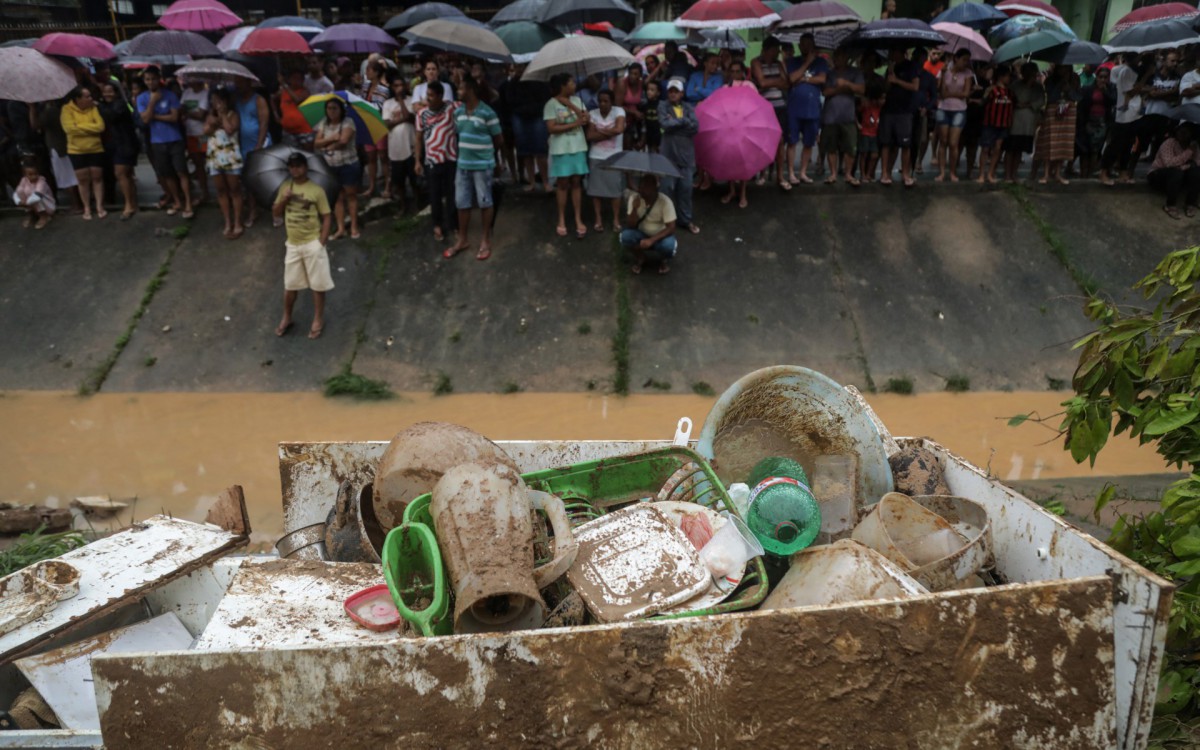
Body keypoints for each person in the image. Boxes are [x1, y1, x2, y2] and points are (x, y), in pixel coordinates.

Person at [273, 152, 333, 340]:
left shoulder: (316, 190)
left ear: (305, 167)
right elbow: (275, 212)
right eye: (291, 166)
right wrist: (284, 198)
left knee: (317, 284)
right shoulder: (285, 187)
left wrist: (321, 241)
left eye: (298, 166)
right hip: (292, 243)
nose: (295, 169)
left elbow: (326, 216)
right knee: (290, 285)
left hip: (311, 242)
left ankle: (317, 319)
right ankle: (287, 317)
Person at [442, 77, 503, 260]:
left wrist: (491, 158)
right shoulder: (458, 112)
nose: (457, 92)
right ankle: (462, 239)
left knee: (485, 201)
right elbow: (458, 134)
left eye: (460, 88)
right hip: (463, 165)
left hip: (483, 166)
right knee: (462, 202)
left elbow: (498, 139)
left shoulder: (487, 112)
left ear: (470, 90)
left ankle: (485, 240)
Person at [544, 72, 590, 238]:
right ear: (562, 86)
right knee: (563, 183)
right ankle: (561, 218)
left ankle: (578, 218)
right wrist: (575, 123)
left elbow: (586, 120)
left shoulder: (578, 100)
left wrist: (574, 108)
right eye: (570, 82)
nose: (574, 85)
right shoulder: (551, 104)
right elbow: (551, 128)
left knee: (577, 182)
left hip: (578, 146)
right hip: (561, 149)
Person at [415, 83, 459, 242]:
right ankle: (437, 225)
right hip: (431, 161)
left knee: (452, 194)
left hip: (451, 159)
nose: (428, 98)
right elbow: (418, 138)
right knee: (434, 195)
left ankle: (454, 225)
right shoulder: (421, 114)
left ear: (441, 96)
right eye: (427, 95)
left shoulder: (452, 108)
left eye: (432, 95)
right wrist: (417, 161)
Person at [313, 97, 360, 240]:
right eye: (329, 108)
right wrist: (332, 138)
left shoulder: (348, 122)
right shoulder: (323, 123)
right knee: (337, 197)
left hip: (348, 163)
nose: (331, 111)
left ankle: (354, 226)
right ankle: (340, 228)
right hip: (330, 166)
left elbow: (344, 140)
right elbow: (316, 143)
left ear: (341, 110)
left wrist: (327, 144)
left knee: (351, 195)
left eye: (335, 108)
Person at [785, 34, 829, 186]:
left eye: (809, 44)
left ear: (813, 45)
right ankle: (791, 173)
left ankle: (802, 172)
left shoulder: (821, 62)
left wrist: (804, 79)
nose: (805, 46)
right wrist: (807, 64)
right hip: (794, 109)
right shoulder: (792, 61)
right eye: (803, 44)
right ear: (799, 46)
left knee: (809, 143)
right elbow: (791, 78)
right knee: (791, 142)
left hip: (812, 109)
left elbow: (822, 79)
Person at [658, 79, 700, 234]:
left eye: (676, 91)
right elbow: (664, 124)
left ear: (682, 93)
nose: (673, 93)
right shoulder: (663, 106)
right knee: (666, 189)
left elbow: (695, 128)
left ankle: (685, 220)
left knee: (686, 190)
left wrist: (675, 122)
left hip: (686, 157)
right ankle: (663, 222)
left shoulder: (688, 107)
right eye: (670, 91)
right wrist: (683, 123)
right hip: (668, 156)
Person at [61, 86, 107, 220]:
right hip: (76, 150)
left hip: (95, 148)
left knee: (97, 178)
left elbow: (100, 126)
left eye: (90, 96)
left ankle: (99, 206)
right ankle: (86, 207)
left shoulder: (93, 108)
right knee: (83, 180)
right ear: (78, 99)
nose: (90, 98)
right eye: (87, 96)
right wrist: (89, 128)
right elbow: (69, 129)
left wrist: (79, 127)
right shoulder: (66, 109)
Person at [1100, 53, 1145, 185]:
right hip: (1123, 113)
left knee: (1129, 144)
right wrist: (1146, 76)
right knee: (1115, 144)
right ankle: (1104, 172)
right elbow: (1130, 92)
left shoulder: (1136, 70)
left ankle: (1123, 171)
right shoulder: (1125, 71)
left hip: (1134, 112)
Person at [204, 88, 244, 239]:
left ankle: (238, 222)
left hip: (230, 158)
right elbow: (205, 131)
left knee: (234, 190)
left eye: (219, 101)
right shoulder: (210, 116)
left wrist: (222, 115)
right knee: (221, 191)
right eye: (214, 101)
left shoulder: (233, 115)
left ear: (226, 102)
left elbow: (229, 129)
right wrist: (213, 121)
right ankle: (227, 221)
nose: (217, 104)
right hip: (215, 158)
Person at [822, 47, 864, 186]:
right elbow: (826, 92)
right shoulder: (830, 74)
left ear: (846, 58)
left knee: (850, 147)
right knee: (831, 147)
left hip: (848, 116)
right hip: (831, 116)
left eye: (839, 56)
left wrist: (846, 83)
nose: (836, 59)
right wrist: (841, 89)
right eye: (835, 57)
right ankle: (833, 173)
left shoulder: (855, 72)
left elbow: (861, 89)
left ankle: (848, 174)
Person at [753, 36, 790, 189]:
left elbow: (786, 84)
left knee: (780, 142)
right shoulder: (756, 62)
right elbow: (761, 82)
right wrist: (776, 82)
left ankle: (779, 175)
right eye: (774, 50)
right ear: (766, 50)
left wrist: (770, 83)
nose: (777, 53)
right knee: (763, 141)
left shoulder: (779, 64)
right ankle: (762, 173)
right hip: (764, 107)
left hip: (780, 106)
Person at [586, 89, 626, 232]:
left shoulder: (619, 111)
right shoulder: (592, 114)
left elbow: (619, 129)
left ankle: (616, 219)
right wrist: (610, 132)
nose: (602, 104)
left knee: (615, 190)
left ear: (612, 101)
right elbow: (590, 136)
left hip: (614, 156)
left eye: (606, 101)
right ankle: (598, 218)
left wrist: (599, 131)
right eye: (600, 101)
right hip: (596, 156)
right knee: (596, 190)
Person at [98, 82, 139, 220]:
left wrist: (99, 106)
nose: (107, 94)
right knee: (126, 175)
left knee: (120, 173)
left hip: (125, 144)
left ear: (116, 93)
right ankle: (133, 202)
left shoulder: (120, 104)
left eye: (110, 91)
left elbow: (111, 116)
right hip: (113, 144)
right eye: (105, 92)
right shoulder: (105, 106)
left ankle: (129, 205)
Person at [879, 48, 920, 187]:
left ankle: (905, 173)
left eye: (893, 52)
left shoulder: (911, 67)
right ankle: (885, 173)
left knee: (905, 144)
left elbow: (915, 86)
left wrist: (897, 80)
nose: (891, 54)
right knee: (886, 143)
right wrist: (890, 76)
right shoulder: (891, 68)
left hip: (905, 111)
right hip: (889, 110)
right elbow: (885, 88)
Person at [621, 174, 677, 275]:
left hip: (660, 235)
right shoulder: (634, 198)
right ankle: (641, 258)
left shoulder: (665, 201)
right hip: (641, 232)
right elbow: (630, 225)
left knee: (669, 246)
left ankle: (663, 260)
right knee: (625, 237)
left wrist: (651, 240)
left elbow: (671, 228)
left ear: (655, 188)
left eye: (646, 187)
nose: (641, 190)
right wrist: (634, 209)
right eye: (640, 187)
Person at [234, 78, 271, 225]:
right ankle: (253, 210)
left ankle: (274, 210)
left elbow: (264, 123)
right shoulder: (236, 100)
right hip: (243, 145)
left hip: (258, 144)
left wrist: (259, 144)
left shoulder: (258, 100)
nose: (238, 85)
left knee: (264, 178)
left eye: (240, 82)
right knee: (247, 180)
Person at [509, 65, 551, 192]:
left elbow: (545, 97)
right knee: (525, 151)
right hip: (520, 116)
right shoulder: (513, 83)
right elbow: (510, 100)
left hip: (537, 115)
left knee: (541, 150)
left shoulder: (539, 80)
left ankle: (545, 182)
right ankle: (532, 181)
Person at [1036, 64, 1080, 185]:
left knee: (1063, 143)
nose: (1063, 69)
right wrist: (1060, 84)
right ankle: (1046, 173)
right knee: (1050, 142)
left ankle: (1057, 173)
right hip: (1053, 110)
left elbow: (1077, 96)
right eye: (1061, 67)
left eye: (1066, 67)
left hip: (1068, 112)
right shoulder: (1050, 79)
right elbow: (1050, 97)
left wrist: (1069, 89)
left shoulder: (1075, 78)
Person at [1147, 123, 1200, 219]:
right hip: (1158, 175)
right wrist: (1188, 153)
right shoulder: (1169, 142)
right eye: (1181, 131)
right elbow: (1169, 163)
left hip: (1179, 179)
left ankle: (1190, 203)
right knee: (1176, 172)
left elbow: (1197, 162)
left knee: (1196, 172)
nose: (1182, 134)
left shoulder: (1194, 146)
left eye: (1186, 132)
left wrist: (1184, 165)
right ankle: (1170, 205)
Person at [935, 49, 973, 182]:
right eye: (964, 59)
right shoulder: (944, 70)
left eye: (967, 60)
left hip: (959, 109)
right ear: (956, 58)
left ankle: (952, 171)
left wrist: (951, 95)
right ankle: (941, 172)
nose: (966, 62)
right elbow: (941, 92)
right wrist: (944, 74)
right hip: (943, 108)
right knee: (943, 141)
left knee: (953, 142)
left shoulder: (968, 73)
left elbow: (966, 93)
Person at [723, 60, 757, 207]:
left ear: (743, 72)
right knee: (729, 159)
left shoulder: (749, 86)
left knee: (743, 160)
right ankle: (731, 190)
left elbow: (756, 105)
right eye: (733, 71)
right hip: (728, 126)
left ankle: (743, 193)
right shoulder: (725, 87)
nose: (735, 74)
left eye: (738, 71)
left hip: (745, 126)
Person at [382, 73, 417, 213]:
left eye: (401, 85)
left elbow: (410, 117)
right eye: (396, 86)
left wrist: (401, 102)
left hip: (411, 144)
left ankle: (416, 205)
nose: (399, 88)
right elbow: (386, 124)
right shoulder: (387, 104)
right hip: (395, 147)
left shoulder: (411, 101)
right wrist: (403, 119)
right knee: (399, 181)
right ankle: (403, 206)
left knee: (414, 179)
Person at [1006, 62, 1045, 184]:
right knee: (1011, 149)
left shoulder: (1038, 87)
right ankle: (1008, 175)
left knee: (1019, 150)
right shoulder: (1015, 85)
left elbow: (1040, 101)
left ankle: (1014, 174)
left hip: (1029, 122)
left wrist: (1029, 104)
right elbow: (1012, 99)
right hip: (1016, 120)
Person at [977, 64, 1013, 184]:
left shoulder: (1010, 92)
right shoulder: (991, 90)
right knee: (985, 148)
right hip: (990, 123)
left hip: (1003, 124)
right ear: (1001, 77)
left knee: (997, 149)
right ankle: (981, 174)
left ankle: (990, 173)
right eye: (1007, 76)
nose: (1009, 78)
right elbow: (982, 103)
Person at [1077, 66, 1115, 180]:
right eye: (1100, 77)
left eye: (1105, 77)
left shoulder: (1111, 89)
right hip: (1088, 121)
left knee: (1095, 149)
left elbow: (1113, 101)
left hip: (1102, 122)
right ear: (1096, 77)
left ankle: (1091, 173)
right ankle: (1083, 173)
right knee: (1084, 149)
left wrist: (1105, 92)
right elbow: (1082, 106)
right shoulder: (1088, 89)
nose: (1102, 80)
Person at [1142, 50, 1181, 159]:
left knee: (1160, 142)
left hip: (1166, 115)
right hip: (1150, 113)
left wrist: (1161, 93)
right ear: (1164, 61)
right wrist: (1170, 92)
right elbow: (1151, 94)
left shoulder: (1178, 77)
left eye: (1177, 61)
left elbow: (1176, 96)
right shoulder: (1153, 75)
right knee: (1143, 141)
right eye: (1172, 61)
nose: (1175, 63)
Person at [361, 59, 390, 198]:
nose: (366, 72)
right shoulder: (365, 86)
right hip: (368, 124)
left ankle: (387, 185)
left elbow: (379, 107)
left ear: (376, 72)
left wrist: (365, 107)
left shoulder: (384, 88)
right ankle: (372, 185)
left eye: (369, 69)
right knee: (371, 156)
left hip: (379, 124)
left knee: (383, 156)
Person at [180, 78, 210, 205]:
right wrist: (191, 112)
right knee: (198, 163)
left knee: (208, 161)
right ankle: (204, 192)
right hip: (190, 133)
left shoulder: (206, 93)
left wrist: (187, 112)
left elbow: (201, 114)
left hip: (203, 133)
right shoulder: (186, 92)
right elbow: (181, 108)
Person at [275, 70, 313, 151]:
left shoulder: (305, 92)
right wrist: (276, 115)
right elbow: (272, 98)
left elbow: (297, 100)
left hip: (304, 130)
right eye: (294, 78)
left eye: (299, 79)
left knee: (307, 155)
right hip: (288, 131)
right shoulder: (282, 92)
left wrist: (284, 85)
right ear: (289, 80)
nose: (296, 81)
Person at [13, 156, 54, 229]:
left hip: (46, 205)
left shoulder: (41, 182)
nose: (34, 176)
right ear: (25, 175)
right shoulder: (24, 180)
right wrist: (19, 201)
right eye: (30, 174)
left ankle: (44, 216)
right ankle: (31, 214)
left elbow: (37, 196)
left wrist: (26, 203)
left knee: (36, 196)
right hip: (30, 205)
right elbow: (16, 193)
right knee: (20, 190)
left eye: (36, 174)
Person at [615, 62, 646, 152]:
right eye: (631, 73)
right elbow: (617, 105)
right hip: (623, 120)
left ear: (640, 75)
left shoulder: (641, 84)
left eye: (635, 74)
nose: (632, 76)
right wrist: (633, 112)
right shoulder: (622, 83)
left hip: (635, 121)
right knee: (625, 147)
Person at [858, 79, 884, 182]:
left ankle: (868, 173)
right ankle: (863, 174)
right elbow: (857, 111)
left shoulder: (879, 107)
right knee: (864, 154)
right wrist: (858, 124)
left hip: (874, 133)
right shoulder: (866, 105)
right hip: (865, 132)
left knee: (874, 155)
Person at [643, 80, 663, 153]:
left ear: (658, 93)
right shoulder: (645, 105)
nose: (649, 92)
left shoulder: (661, 105)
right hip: (649, 135)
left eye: (652, 90)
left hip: (659, 136)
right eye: (648, 89)